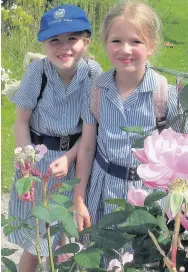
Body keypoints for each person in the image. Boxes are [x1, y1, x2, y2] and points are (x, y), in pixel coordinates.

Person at [74, 0, 188, 234]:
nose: (125, 49)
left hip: (148, 201)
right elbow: (87, 148)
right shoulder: (96, 91)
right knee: (104, 258)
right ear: (105, 43)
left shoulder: (166, 96)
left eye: (136, 41)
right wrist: (79, 199)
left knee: (143, 261)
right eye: (116, 40)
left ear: (151, 46)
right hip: (103, 195)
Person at [8, 4, 102, 272]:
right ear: (44, 44)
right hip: (36, 159)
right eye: (55, 40)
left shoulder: (92, 74)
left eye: (72, 38)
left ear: (86, 41)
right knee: (36, 237)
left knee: (63, 230)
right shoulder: (37, 72)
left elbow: (88, 133)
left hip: (72, 159)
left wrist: (68, 157)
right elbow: (21, 122)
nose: (64, 46)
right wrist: (28, 163)